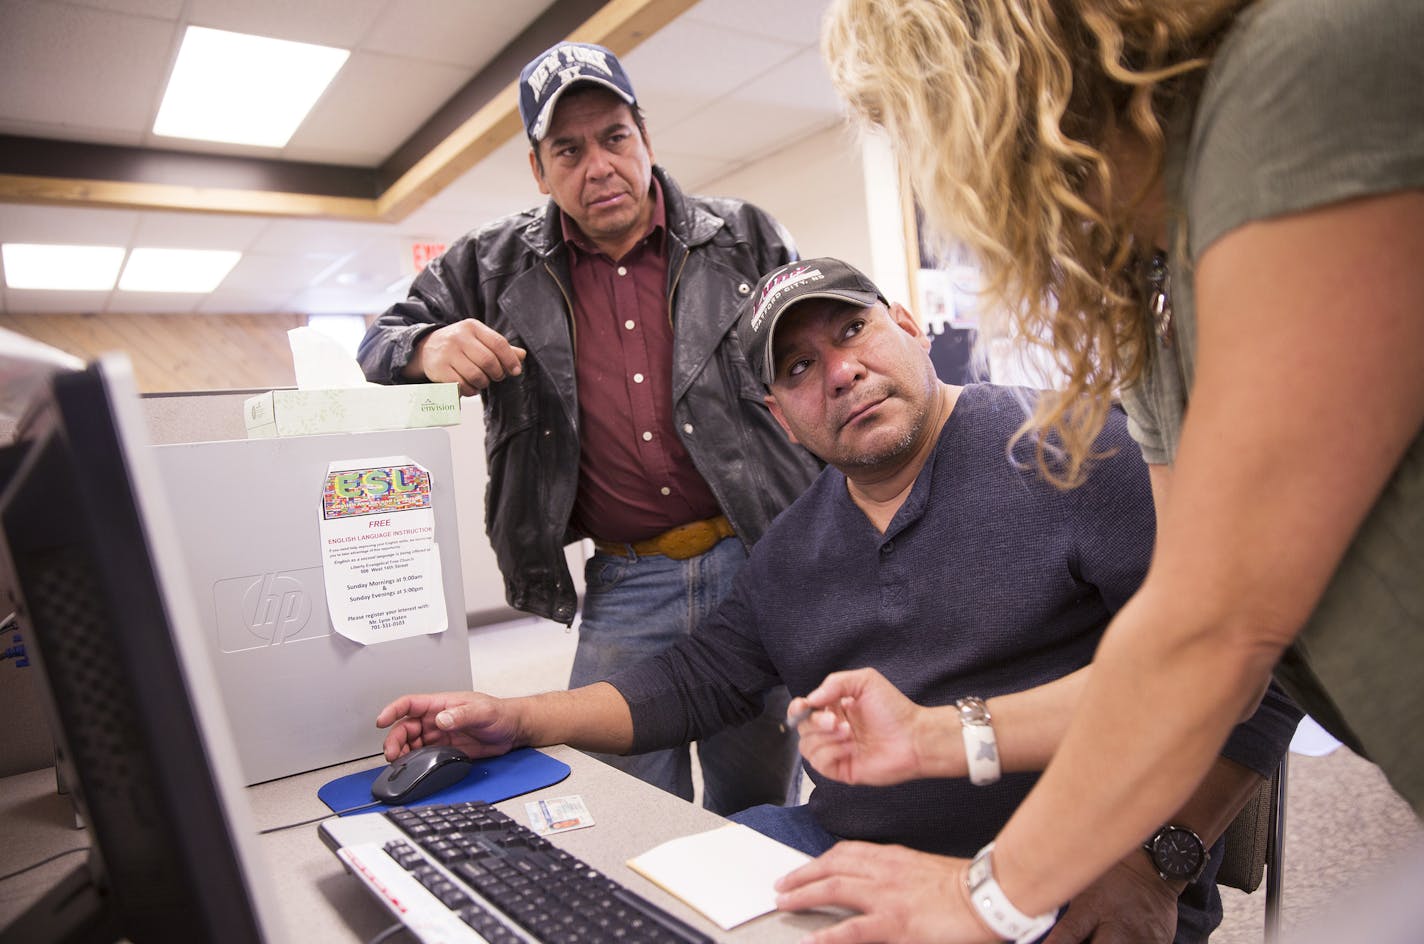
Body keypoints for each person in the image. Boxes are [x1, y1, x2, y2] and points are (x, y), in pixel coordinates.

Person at [376, 258, 1300, 944]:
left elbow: (1263, 659)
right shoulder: (790, 550)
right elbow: (697, 681)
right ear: (780, 417)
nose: (839, 371)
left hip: (1077, 865)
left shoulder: (1082, 448)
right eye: (797, 367)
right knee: (642, 909)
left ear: (908, 324)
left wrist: (1160, 862)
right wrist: (515, 716)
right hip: (845, 844)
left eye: (851, 331)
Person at [773, 1, 1424, 941]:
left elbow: (1217, 629)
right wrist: (927, 736)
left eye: (916, 125)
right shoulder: (1152, 297)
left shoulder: (1293, 79)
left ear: (987, 78)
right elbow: (1182, 639)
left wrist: (985, 896)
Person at [357, 42, 822, 815]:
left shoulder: (745, 237)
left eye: (614, 137)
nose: (598, 166)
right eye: (567, 150)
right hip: (626, 578)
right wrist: (427, 346)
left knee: (756, 801)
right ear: (538, 171)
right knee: (626, 806)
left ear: (644, 137)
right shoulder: (491, 264)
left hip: (757, 559)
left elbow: (814, 361)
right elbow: (380, 340)